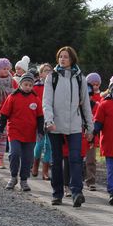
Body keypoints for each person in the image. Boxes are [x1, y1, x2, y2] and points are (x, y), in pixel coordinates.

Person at [43, 46, 93, 207]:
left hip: (75, 125)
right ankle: (57, 194)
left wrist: (90, 127)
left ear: (72, 59)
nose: (62, 59)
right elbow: (46, 102)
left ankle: (77, 192)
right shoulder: (52, 77)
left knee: (75, 159)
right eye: (60, 57)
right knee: (56, 160)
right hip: (55, 125)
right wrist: (49, 120)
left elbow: (86, 104)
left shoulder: (80, 78)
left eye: (65, 57)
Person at [0, 73, 44, 191]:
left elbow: (40, 117)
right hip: (14, 131)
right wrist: (0, 128)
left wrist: (41, 130)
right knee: (15, 153)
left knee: (27, 158)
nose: (28, 87)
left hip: (30, 133)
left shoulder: (36, 99)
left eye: (30, 85)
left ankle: (24, 180)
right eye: (25, 84)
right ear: (20, 84)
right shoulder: (13, 97)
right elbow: (4, 114)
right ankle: (13, 177)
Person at [32, 63, 52, 180]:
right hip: (39, 119)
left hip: (51, 118)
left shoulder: (54, 86)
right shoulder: (35, 87)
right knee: (39, 144)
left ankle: (45, 171)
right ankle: (35, 165)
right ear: (40, 74)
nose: (48, 73)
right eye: (45, 71)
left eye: (50, 71)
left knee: (49, 145)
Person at [84, 72, 102, 191]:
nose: (95, 87)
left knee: (91, 160)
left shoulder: (98, 103)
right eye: (92, 84)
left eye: (97, 84)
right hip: (78, 134)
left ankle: (91, 180)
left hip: (92, 135)